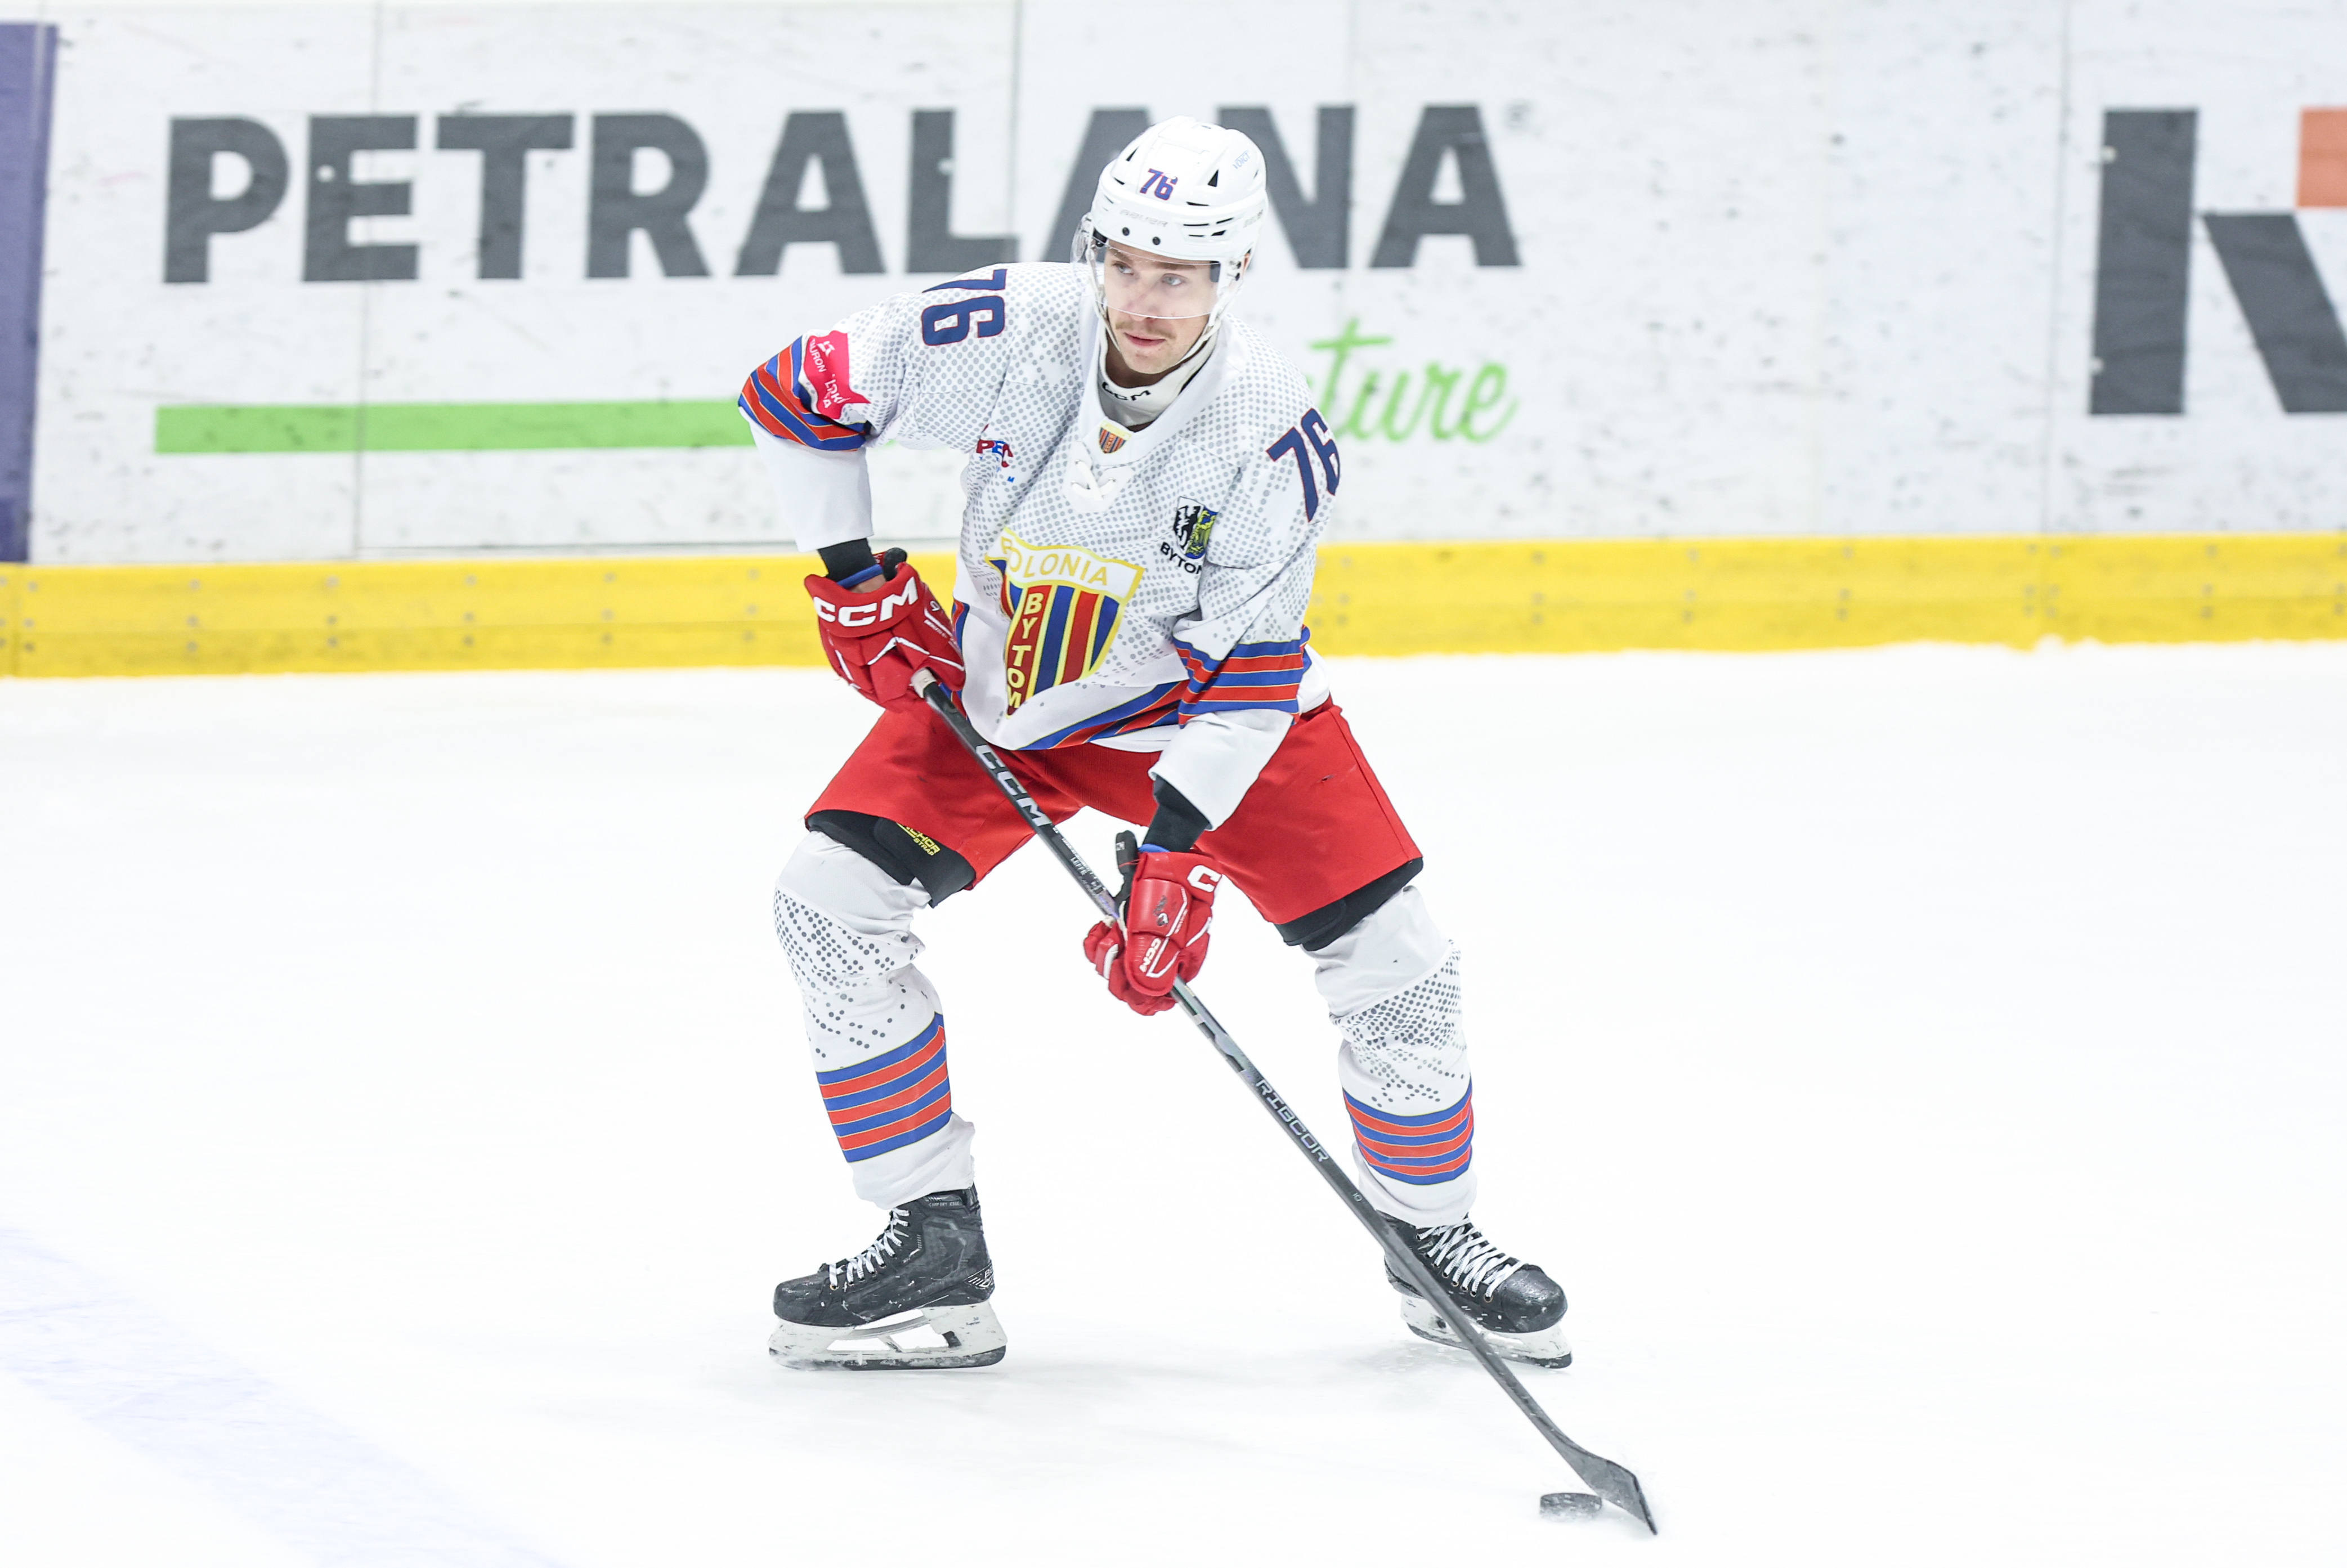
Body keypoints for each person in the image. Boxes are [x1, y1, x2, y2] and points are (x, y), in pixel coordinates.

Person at [738, 117, 1567, 1372]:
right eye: (1122, 263)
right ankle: (931, 1246)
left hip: (1200, 710)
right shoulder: (1012, 327)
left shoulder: (1267, 425)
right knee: (827, 903)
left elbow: (1253, 668)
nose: (1141, 300)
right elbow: (793, 392)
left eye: (1176, 276)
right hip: (1013, 693)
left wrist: (1174, 850)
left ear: (1235, 272)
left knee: (1401, 965)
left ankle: (1432, 1237)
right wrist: (853, 577)